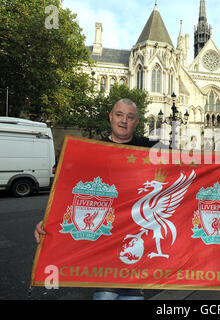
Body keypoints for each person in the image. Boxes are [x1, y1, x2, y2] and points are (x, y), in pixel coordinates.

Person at [34, 98, 156, 300]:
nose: (124, 120)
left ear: (137, 122)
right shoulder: (92, 150)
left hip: (135, 240)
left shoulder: (151, 149)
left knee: (133, 298)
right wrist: (48, 221)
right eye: (119, 115)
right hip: (104, 240)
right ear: (110, 117)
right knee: (105, 297)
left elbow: (189, 166)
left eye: (130, 116)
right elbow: (69, 191)